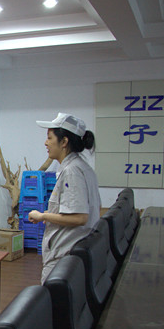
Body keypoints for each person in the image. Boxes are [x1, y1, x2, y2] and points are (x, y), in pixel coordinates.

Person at [28, 113, 101, 283]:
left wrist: (43, 216)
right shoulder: (81, 167)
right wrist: (50, 215)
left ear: (64, 142)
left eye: (49, 138)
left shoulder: (72, 171)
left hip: (64, 255)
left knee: (52, 296)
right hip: (70, 254)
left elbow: (79, 217)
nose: (46, 143)